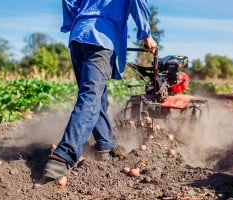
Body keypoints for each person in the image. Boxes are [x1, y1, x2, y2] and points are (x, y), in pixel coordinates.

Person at [42, 0, 157, 181]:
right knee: (90, 98)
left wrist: (77, 20)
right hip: (102, 38)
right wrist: (146, 34)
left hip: (78, 36)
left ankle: (105, 144)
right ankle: (63, 156)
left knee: (96, 95)